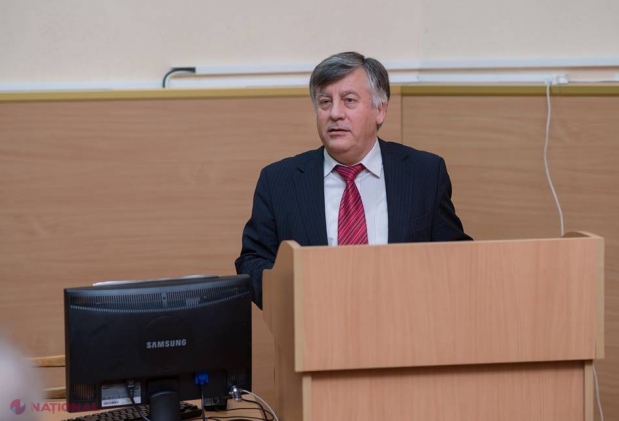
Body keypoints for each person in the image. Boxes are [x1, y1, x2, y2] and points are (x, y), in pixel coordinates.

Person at [236, 51, 472, 308]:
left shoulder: (424, 173)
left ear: (380, 110)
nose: (335, 113)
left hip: (405, 323)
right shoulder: (279, 181)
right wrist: (298, 294)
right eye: (325, 102)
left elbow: (456, 257)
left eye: (349, 100)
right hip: (314, 323)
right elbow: (252, 261)